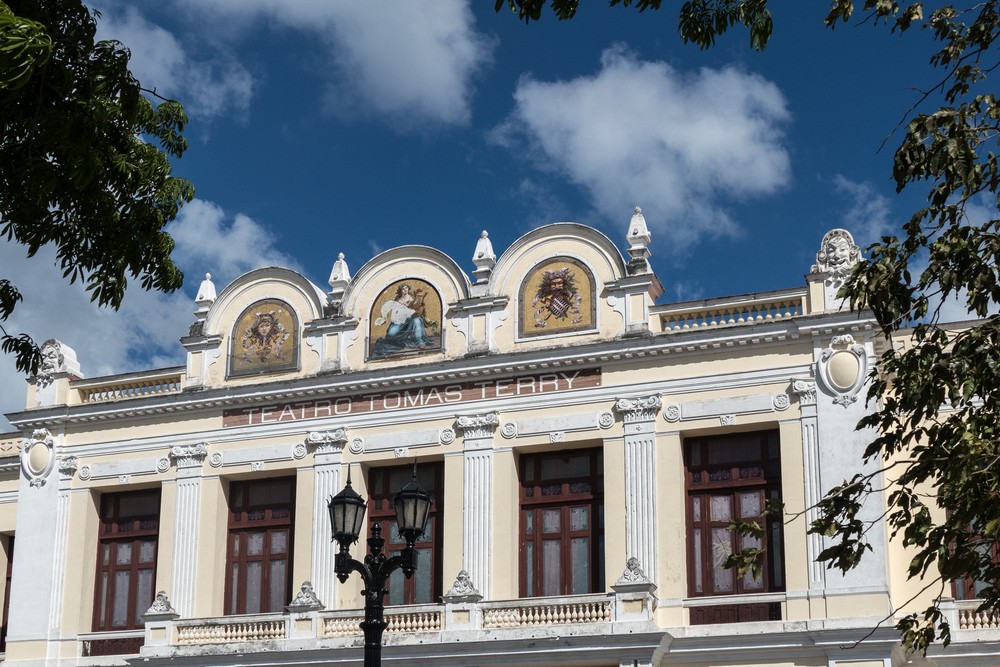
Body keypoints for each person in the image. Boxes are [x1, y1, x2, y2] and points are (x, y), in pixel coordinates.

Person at [371, 284, 438, 358]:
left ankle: (420, 341)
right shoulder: (397, 299)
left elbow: (418, 308)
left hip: (411, 319)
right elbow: (396, 312)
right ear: (400, 291)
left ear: (408, 289)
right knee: (391, 334)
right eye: (403, 289)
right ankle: (401, 339)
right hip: (399, 322)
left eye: (406, 288)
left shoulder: (412, 297)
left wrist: (417, 306)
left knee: (417, 320)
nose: (405, 290)